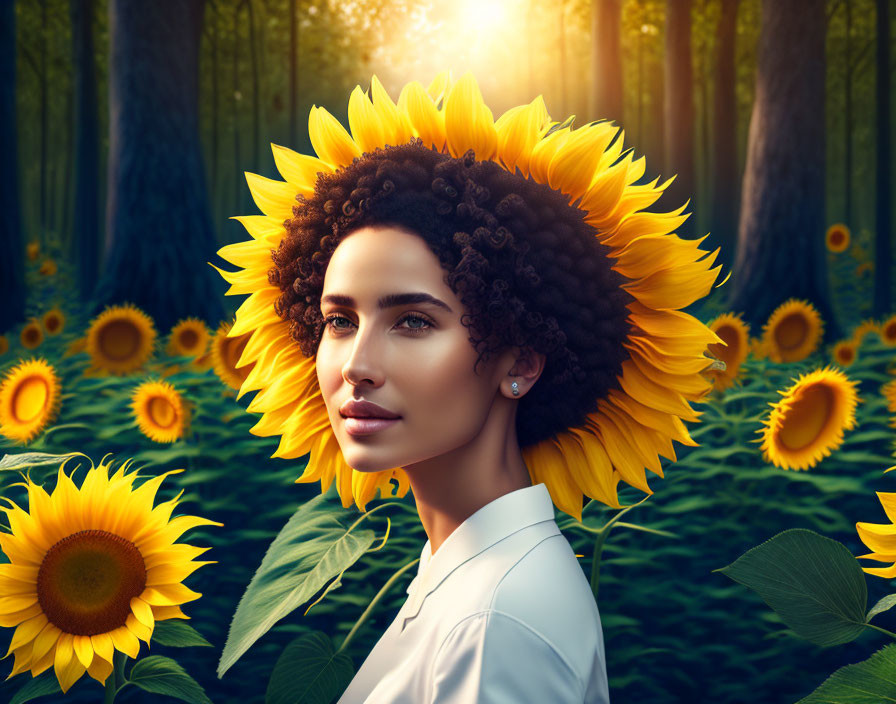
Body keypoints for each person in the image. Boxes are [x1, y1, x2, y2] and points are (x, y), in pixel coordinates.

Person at [213, 72, 723, 703]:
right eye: (339, 320)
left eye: (414, 322)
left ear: (523, 363)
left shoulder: (498, 621)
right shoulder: (473, 580)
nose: (356, 365)